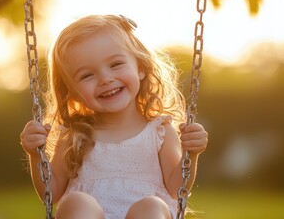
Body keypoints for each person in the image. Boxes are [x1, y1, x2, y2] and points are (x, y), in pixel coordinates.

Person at [20, 14, 208, 219]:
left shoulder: (160, 131)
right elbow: (52, 191)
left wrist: (192, 153)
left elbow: (176, 187)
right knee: (76, 203)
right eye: (87, 75)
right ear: (71, 92)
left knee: (151, 207)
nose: (105, 79)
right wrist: (35, 154)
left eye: (116, 64)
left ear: (141, 68)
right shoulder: (74, 135)